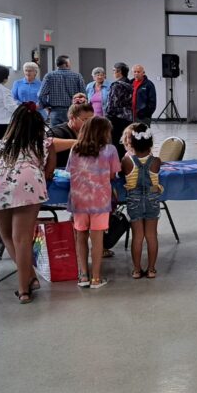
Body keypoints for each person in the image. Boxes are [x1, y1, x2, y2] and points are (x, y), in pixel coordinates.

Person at [0, 104, 59, 303]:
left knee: (6, 235)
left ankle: (31, 278)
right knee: (23, 239)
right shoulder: (44, 143)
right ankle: (24, 289)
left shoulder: (2, 144)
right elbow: (49, 171)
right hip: (29, 182)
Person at [67, 117, 120, 289]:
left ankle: (83, 275)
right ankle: (96, 278)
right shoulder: (110, 150)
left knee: (80, 237)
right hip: (100, 201)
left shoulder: (75, 148)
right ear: (104, 132)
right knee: (97, 240)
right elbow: (113, 175)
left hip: (79, 200)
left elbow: (69, 170)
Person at [122, 123, 162, 278]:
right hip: (152, 199)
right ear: (151, 143)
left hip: (134, 200)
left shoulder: (126, 161)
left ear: (130, 143)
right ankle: (151, 269)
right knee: (151, 235)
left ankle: (137, 269)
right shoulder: (156, 161)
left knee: (137, 236)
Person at [38, 55, 85, 126]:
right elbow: (83, 94)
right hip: (73, 110)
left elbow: (41, 94)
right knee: (72, 133)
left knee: (55, 133)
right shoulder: (77, 76)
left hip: (55, 111)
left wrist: (46, 105)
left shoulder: (49, 76)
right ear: (66, 64)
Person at [49, 102, 95, 168]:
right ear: (72, 118)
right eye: (85, 120)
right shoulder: (58, 131)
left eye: (91, 120)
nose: (89, 123)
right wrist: (79, 142)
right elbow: (48, 145)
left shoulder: (90, 131)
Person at [106, 62, 134, 158]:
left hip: (116, 118)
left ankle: (117, 166)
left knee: (115, 143)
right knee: (125, 142)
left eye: (114, 71)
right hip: (128, 117)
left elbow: (112, 103)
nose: (113, 73)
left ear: (119, 71)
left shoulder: (116, 85)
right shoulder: (129, 84)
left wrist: (108, 115)